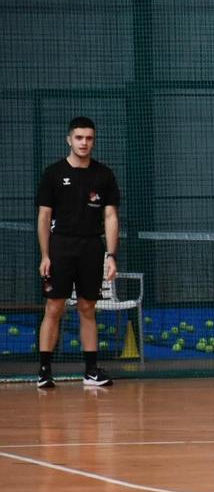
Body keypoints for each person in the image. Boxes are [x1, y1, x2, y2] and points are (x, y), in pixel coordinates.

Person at [35, 116, 120, 389]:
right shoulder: (53, 173)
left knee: (87, 307)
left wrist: (111, 255)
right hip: (60, 247)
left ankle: (91, 371)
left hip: (91, 248)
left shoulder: (104, 175)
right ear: (69, 139)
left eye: (89, 138)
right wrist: (45, 255)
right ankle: (45, 371)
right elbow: (44, 217)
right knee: (54, 306)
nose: (84, 143)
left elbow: (110, 217)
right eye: (79, 137)